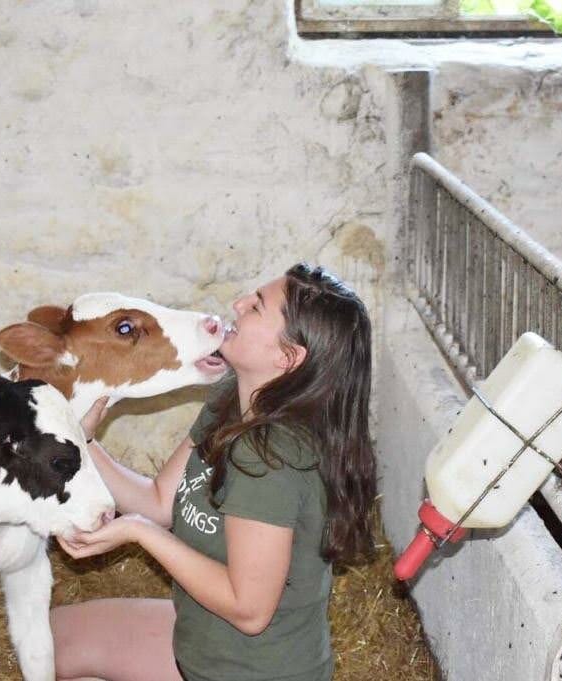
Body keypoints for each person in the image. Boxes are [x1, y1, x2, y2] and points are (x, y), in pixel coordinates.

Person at [53, 263, 376, 681]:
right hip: (201, 644)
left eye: (257, 307)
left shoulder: (270, 458)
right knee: (49, 641)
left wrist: (138, 533)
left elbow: (249, 609)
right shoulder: (231, 399)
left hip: (248, 671)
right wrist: (85, 443)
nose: (238, 304)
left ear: (287, 357)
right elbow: (158, 503)